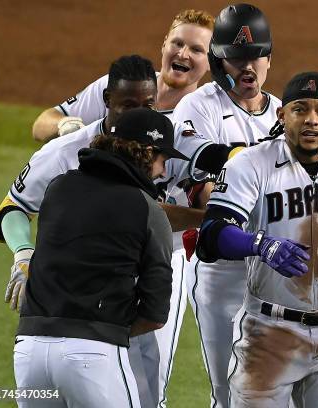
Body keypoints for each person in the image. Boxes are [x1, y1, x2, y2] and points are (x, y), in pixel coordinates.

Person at [0, 55, 236, 408]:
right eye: (129, 105)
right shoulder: (66, 152)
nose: (142, 113)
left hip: (146, 269)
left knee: (150, 384)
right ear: (106, 102)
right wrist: (23, 252)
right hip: (92, 308)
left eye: (149, 104)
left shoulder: (167, 137)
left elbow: (214, 160)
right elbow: (13, 206)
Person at [196, 72, 318, 407]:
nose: (311, 120)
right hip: (269, 333)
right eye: (300, 109)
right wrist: (261, 245)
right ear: (282, 116)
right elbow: (211, 236)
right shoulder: (251, 164)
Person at [13, 108, 187, 408]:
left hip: (28, 353)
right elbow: (156, 313)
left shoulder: (59, 187)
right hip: (93, 358)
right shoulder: (149, 210)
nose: (162, 170)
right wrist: (106, 331)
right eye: (162, 158)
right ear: (145, 153)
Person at [171, 4, 281, 406]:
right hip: (220, 271)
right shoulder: (199, 107)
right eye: (236, 58)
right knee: (228, 391)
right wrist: (259, 164)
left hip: (275, 268)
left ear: (269, 58)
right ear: (218, 61)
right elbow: (196, 161)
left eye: (256, 56)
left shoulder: (285, 113)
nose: (247, 68)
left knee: (274, 388)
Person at [31, 9, 214, 143]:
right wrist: (65, 126)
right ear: (164, 44)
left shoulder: (202, 118)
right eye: (177, 43)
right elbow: (41, 125)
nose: (183, 54)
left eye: (196, 50)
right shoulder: (123, 85)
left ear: (210, 61)